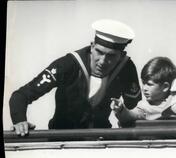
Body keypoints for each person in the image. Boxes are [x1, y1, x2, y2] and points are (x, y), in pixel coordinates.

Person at [9, 19, 142, 136]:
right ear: (92, 46)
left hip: (100, 142)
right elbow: (20, 95)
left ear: (121, 55)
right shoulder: (68, 64)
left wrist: (123, 113)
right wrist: (20, 120)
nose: (102, 61)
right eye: (99, 52)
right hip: (61, 140)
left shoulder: (126, 68)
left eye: (111, 56)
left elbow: (136, 110)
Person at [111, 57, 176, 127]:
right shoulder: (144, 107)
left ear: (165, 87)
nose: (144, 88)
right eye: (143, 83)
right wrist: (121, 109)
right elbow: (131, 116)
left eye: (149, 84)